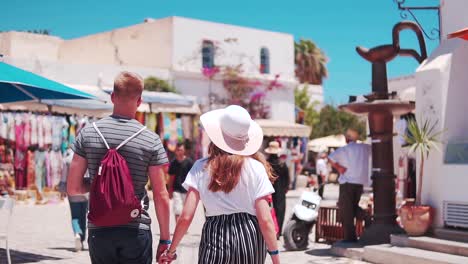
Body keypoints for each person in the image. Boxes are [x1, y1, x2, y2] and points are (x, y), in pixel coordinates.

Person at [67, 71, 171, 264]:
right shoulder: (151, 140)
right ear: (139, 101)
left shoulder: (88, 133)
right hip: (136, 229)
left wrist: (101, 187)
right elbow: (160, 194)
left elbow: (73, 188)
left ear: (112, 97)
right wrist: (165, 239)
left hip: (100, 229)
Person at [160, 105, 280, 264]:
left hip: (215, 236)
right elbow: (265, 220)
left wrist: (171, 251)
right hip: (250, 238)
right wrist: (276, 259)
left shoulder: (200, 167)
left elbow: (186, 216)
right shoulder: (256, 168)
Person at [328, 128, 371, 242]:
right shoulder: (364, 148)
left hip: (347, 183)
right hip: (359, 183)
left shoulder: (344, 149)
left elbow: (330, 157)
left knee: (346, 211)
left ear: (347, 138)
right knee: (353, 207)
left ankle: (350, 237)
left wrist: (338, 167)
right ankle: (366, 217)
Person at [59, 148, 88, 252]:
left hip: (72, 191)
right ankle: (82, 237)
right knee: (83, 216)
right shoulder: (86, 156)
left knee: (75, 216)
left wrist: (62, 189)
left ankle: (77, 234)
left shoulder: (67, 159)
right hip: (84, 191)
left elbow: (63, 177)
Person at [265, 141, 290, 239]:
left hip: (268, 188)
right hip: (280, 190)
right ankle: (278, 232)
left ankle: (270, 231)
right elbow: (287, 178)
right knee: (280, 210)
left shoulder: (266, 163)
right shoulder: (282, 163)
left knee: (268, 210)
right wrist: (286, 188)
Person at [168, 142, 194, 223]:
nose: (179, 152)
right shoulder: (173, 163)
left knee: (186, 210)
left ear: (184, 151)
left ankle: (183, 227)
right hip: (177, 190)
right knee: (178, 209)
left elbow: (193, 176)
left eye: (181, 150)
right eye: (178, 150)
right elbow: (171, 178)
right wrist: (169, 190)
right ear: (175, 151)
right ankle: (178, 226)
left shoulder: (189, 162)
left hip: (187, 190)